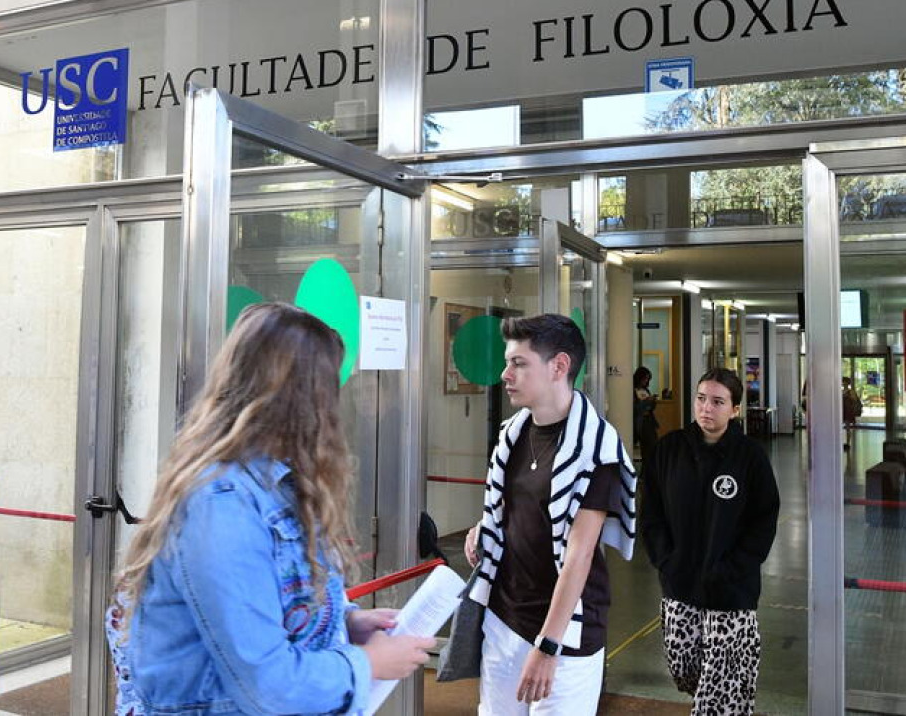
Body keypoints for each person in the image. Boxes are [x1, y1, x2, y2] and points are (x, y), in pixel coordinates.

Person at [109, 302, 434, 715]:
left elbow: (265, 602)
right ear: (303, 397)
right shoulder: (220, 503)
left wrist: (344, 622)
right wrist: (369, 664)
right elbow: (266, 684)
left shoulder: (274, 483)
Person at [463, 314, 637, 715]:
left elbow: (579, 556)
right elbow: (512, 510)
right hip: (505, 618)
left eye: (519, 363)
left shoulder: (596, 450)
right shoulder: (513, 434)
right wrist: (484, 530)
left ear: (559, 366)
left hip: (565, 635)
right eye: (508, 362)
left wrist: (548, 646)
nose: (505, 374)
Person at [639, 368, 780, 716]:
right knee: (684, 669)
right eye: (701, 399)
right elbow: (651, 511)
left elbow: (764, 520)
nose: (706, 408)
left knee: (721, 689)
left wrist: (733, 568)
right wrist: (665, 559)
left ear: (734, 410)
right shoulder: (670, 450)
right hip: (679, 585)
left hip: (730, 591)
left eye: (718, 402)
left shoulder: (750, 457)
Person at [634, 366, 660, 468]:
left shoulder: (646, 390)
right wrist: (646, 402)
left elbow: (651, 408)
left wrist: (652, 402)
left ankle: (648, 470)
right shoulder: (632, 390)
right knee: (647, 447)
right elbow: (635, 409)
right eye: (645, 378)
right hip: (640, 422)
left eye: (648, 379)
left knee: (652, 446)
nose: (646, 381)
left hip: (649, 420)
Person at [841, 376, 862, 451]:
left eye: (844, 382)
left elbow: (855, 400)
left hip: (847, 411)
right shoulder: (842, 391)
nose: (843, 383)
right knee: (846, 427)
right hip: (843, 410)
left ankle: (847, 443)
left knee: (847, 427)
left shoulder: (851, 392)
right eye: (843, 382)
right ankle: (845, 442)